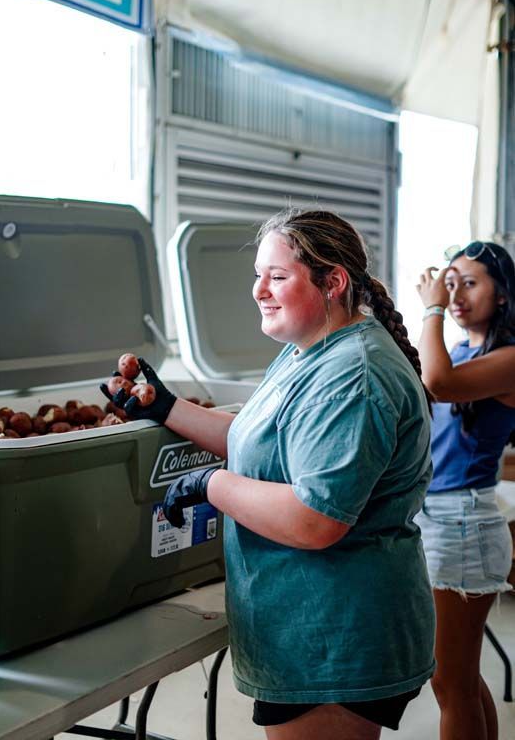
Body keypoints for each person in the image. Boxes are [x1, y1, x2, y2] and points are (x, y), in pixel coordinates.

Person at [104, 208, 435, 740]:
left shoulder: (354, 374)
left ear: (333, 282)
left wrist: (213, 484)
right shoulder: (308, 350)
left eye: (277, 276)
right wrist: (164, 406)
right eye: (257, 275)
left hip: (336, 637)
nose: (259, 289)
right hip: (303, 624)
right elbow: (254, 438)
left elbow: (315, 519)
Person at [415, 241, 515, 740]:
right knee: (461, 680)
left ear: (503, 295)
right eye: (449, 283)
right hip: (440, 519)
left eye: (469, 282)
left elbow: (437, 382)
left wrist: (431, 307)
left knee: (449, 681)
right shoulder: (459, 351)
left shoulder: (510, 357)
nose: (454, 294)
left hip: (463, 524)